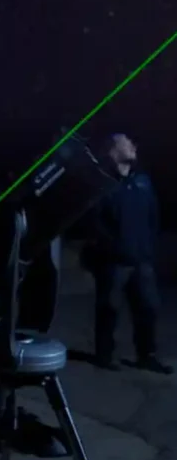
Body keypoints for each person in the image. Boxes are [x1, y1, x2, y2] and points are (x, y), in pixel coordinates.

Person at [83, 133, 172, 374]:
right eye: (127, 143)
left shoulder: (141, 180)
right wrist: (112, 247)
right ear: (113, 150)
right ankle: (104, 355)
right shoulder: (103, 182)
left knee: (149, 308)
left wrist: (147, 246)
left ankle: (147, 355)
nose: (133, 146)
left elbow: (154, 215)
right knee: (109, 308)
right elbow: (95, 221)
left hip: (141, 260)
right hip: (114, 261)